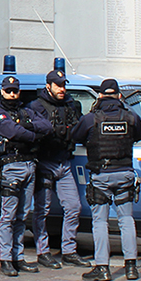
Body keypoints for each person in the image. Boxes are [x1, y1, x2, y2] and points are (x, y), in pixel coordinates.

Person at [72, 78, 141, 281]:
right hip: (124, 174)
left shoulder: (91, 119)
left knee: (100, 221)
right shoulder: (131, 117)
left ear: (100, 96)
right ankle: (131, 267)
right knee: (126, 220)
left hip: (102, 176)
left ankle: (102, 268)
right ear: (119, 96)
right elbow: (140, 134)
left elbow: (75, 135)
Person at [0, 74, 52, 277]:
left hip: (30, 165)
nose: (12, 94)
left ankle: (18, 257)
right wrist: (33, 135)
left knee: (23, 215)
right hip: (11, 166)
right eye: (8, 90)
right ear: (2, 91)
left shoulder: (27, 111)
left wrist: (27, 127)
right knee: (8, 216)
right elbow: (12, 132)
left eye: (15, 90)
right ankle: (6, 259)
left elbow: (47, 127)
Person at [28, 67, 85, 269]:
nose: (62, 89)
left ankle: (69, 251)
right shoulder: (36, 106)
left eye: (63, 85)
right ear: (48, 86)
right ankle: (43, 252)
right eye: (58, 85)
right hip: (45, 163)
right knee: (41, 210)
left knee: (73, 207)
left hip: (64, 163)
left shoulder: (71, 105)